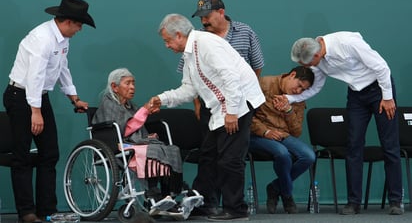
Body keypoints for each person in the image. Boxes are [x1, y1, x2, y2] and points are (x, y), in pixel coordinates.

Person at [150, 13, 265, 221]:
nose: (166, 46)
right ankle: (203, 203)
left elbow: (230, 77)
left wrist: (232, 111)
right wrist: (162, 99)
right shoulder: (189, 54)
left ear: (178, 35)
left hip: (239, 103)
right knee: (209, 155)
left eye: (167, 41)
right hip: (221, 106)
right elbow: (189, 89)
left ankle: (236, 209)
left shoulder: (206, 43)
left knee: (230, 158)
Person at [288, 31, 403, 215]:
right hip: (356, 95)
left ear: (316, 55)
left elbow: (382, 67)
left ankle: (396, 201)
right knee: (353, 146)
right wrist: (289, 98)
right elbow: (316, 87)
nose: (308, 67)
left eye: (308, 63)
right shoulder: (317, 58)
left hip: (379, 89)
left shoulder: (347, 43)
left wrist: (388, 97)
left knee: (389, 145)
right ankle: (353, 202)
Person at [3, 0, 94, 223]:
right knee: (22, 155)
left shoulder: (62, 39)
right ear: (68, 22)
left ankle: (47, 209)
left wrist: (74, 97)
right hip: (20, 97)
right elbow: (34, 76)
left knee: (50, 153)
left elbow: (62, 68)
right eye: (79, 24)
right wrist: (35, 111)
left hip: (38, 97)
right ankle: (27, 212)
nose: (80, 29)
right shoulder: (42, 39)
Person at [92, 68, 203, 220]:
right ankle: (154, 194)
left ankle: (172, 194)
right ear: (114, 87)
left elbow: (135, 128)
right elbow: (124, 128)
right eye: (127, 83)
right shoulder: (109, 104)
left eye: (133, 83)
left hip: (132, 143)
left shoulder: (130, 105)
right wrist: (145, 110)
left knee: (170, 149)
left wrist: (146, 134)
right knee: (151, 150)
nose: (132, 87)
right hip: (116, 144)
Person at [249, 66, 316, 214]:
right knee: (282, 153)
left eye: (303, 90)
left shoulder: (298, 98)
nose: (299, 91)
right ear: (292, 75)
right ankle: (287, 195)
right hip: (257, 135)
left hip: (283, 135)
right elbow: (247, 116)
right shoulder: (263, 84)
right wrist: (265, 131)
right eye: (299, 85)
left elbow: (297, 132)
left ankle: (275, 187)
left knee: (309, 156)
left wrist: (288, 111)